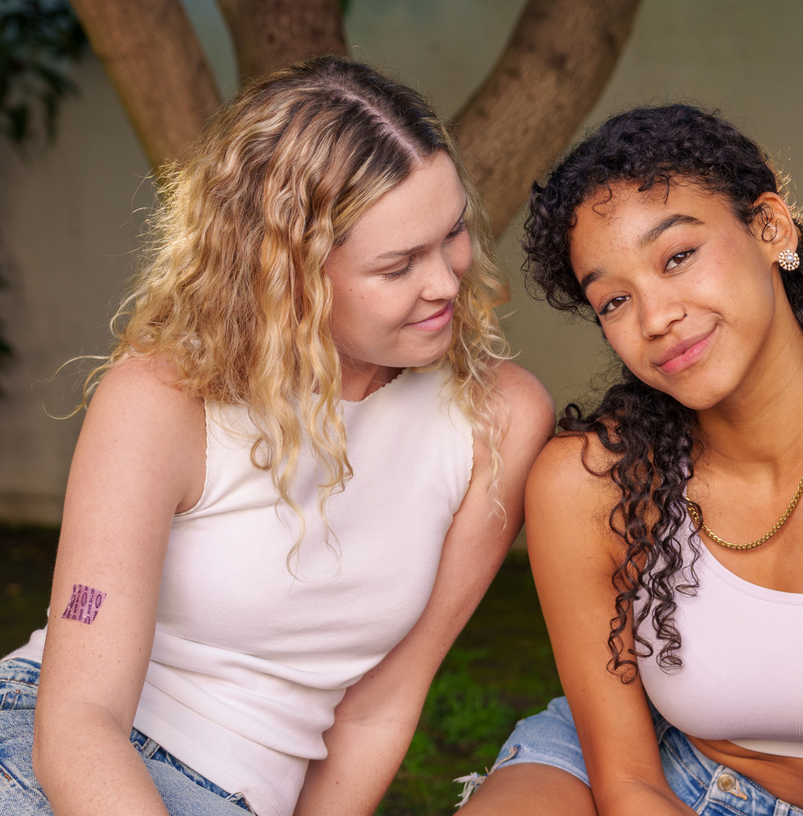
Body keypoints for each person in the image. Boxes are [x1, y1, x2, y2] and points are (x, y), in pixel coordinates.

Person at [0, 57, 554, 816]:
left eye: (452, 231)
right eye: (398, 265)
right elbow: (78, 723)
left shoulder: (500, 417)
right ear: (290, 276)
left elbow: (380, 707)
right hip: (60, 762)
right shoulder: (166, 398)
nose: (447, 282)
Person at [454, 104, 803, 816]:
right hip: (634, 779)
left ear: (771, 228)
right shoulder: (590, 481)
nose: (656, 318)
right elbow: (628, 785)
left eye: (678, 256)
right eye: (615, 300)